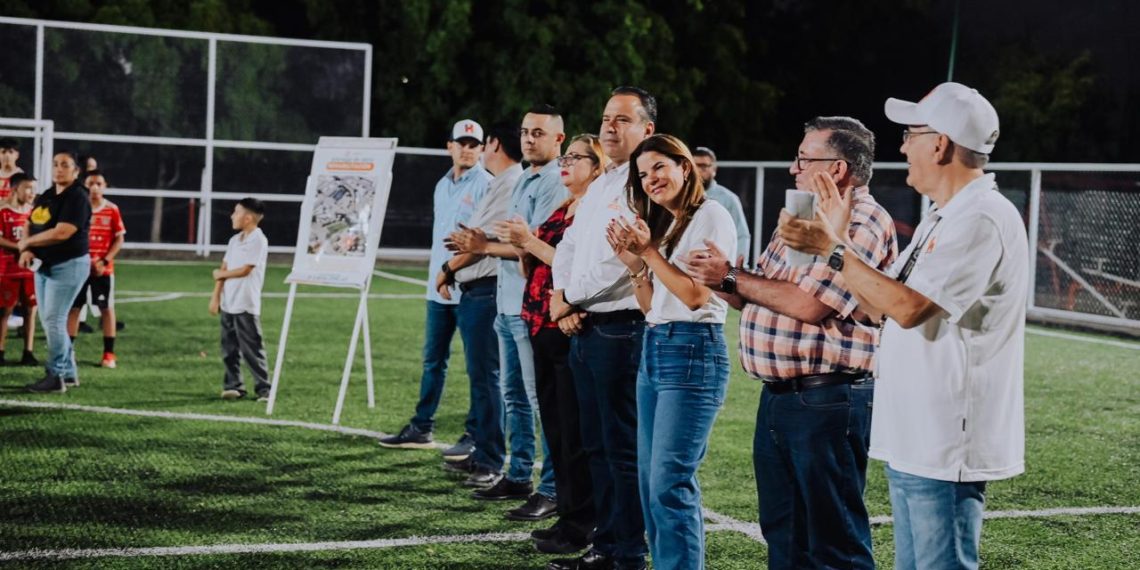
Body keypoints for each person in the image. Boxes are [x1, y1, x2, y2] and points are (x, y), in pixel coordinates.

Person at [779, 82, 1026, 570]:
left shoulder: (981, 218)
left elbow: (910, 308)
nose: (902, 146)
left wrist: (832, 246)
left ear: (940, 144)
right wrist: (838, 236)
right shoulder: (946, 216)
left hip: (944, 438)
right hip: (917, 431)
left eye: (911, 134)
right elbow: (877, 309)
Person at [685, 116, 898, 569]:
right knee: (784, 535)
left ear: (836, 169)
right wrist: (723, 278)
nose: (792, 167)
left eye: (803, 158)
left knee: (834, 540)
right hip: (783, 398)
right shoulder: (803, 213)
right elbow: (764, 295)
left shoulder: (864, 218)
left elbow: (809, 305)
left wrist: (733, 276)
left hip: (827, 398)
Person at [606, 134, 736, 569]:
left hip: (693, 350)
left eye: (659, 167)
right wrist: (636, 266)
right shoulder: (669, 224)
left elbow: (697, 296)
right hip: (658, 346)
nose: (650, 179)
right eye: (643, 174)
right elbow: (652, 306)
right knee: (649, 485)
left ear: (685, 166)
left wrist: (649, 253)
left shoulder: (711, 215)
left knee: (669, 483)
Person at [547, 86, 657, 570]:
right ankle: (606, 545)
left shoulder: (644, 182)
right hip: (589, 328)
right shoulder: (605, 181)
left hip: (621, 330)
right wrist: (560, 296)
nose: (610, 127)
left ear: (647, 130)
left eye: (623, 120)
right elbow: (570, 245)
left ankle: (626, 552)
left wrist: (570, 297)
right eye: (607, 118)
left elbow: (622, 260)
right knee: (596, 446)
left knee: (620, 450)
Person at [449, 105, 566, 516]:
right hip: (508, 300)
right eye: (525, 131)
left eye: (538, 132)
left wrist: (480, 247)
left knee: (539, 400)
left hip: (531, 308)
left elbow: (530, 246)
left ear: (558, 140)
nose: (529, 138)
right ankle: (519, 475)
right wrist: (483, 243)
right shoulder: (524, 179)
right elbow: (513, 241)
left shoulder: (554, 182)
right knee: (514, 395)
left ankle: (552, 487)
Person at [497, 133, 608, 555]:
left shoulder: (592, 210)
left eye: (577, 158)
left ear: (597, 169)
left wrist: (529, 242)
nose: (566, 163)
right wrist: (524, 247)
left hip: (564, 328)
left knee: (571, 432)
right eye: (566, 157)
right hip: (541, 323)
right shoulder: (564, 205)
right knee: (559, 432)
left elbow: (574, 263)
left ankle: (580, 522)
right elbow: (542, 263)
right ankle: (569, 514)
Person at [381, 120, 505, 490]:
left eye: (474, 144)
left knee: (479, 369)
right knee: (433, 359)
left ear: (483, 148)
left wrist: (453, 274)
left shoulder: (486, 185)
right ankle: (422, 426)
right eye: (461, 143)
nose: (467, 149)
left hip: (470, 286)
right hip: (438, 289)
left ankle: (473, 435)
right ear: (449, 145)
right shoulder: (441, 185)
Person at [435, 120, 523, 466]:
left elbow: (481, 242)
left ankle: (490, 458)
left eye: (482, 143)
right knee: (485, 379)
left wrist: (448, 268)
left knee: (489, 380)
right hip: (479, 289)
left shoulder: (509, 182)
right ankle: (484, 451)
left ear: (495, 144)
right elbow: (476, 238)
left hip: (486, 290)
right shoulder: (501, 182)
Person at [19, 152, 92, 392]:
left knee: (54, 321)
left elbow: (63, 232)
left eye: (65, 165)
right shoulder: (48, 195)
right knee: (50, 320)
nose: (59, 169)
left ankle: (56, 376)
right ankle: (68, 373)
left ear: (76, 171)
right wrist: (27, 247)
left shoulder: (78, 197)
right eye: (55, 165)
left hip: (68, 265)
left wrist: (28, 243)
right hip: (45, 265)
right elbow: (29, 222)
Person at [209, 198, 270, 402]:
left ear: (248, 217)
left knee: (252, 348)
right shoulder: (234, 241)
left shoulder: (259, 240)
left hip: (245, 303)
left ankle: (264, 389)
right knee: (229, 348)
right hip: (229, 302)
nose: (232, 216)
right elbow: (224, 269)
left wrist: (219, 275)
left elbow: (245, 269)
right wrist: (216, 296)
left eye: (236, 212)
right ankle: (234, 386)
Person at [67, 170, 125, 368]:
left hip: (103, 270)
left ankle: (109, 354)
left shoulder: (112, 209)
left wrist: (105, 261)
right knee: (74, 308)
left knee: (106, 309)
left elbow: (119, 238)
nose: (95, 187)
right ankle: (68, 351)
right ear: (85, 185)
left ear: (105, 186)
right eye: (91, 183)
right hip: (79, 267)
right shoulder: (78, 208)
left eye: (99, 183)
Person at [0, 173, 38, 366]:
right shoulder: (3, 212)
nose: (32, 193)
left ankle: (28, 351)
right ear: (15, 189)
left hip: (30, 271)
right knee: (4, 310)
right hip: (8, 269)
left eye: (34, 188)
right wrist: (19, 247)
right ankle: (0, 350)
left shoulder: (34, 213)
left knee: (31, 309)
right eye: (28, 188)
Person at [693, 147, 750, 266]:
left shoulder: (728, 199)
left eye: (703, 166)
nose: (698, 171)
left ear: (714, 169)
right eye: (694, 166)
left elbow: (741, 235)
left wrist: (736, 270)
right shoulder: (682, 198)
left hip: (718, 267)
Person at [0, 138, 24, 202]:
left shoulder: (22, 177)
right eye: (3, 152)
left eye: (11, 152)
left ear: (17, 155)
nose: (7, 155)